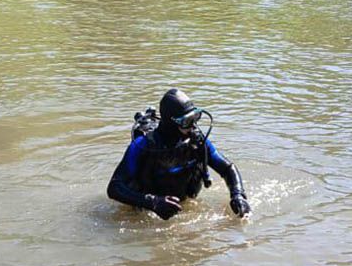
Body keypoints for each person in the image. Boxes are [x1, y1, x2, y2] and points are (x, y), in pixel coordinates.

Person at [107, 88, 252, 220]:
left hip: (182, 201)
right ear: (172, 123)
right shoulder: (142, 146)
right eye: (187, 121)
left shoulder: (197, 141)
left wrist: (238, 195)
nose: (194, 125)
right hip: (147, 210)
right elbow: (114, 188)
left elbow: (227, 168)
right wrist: (152, 203)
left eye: (195, 117)